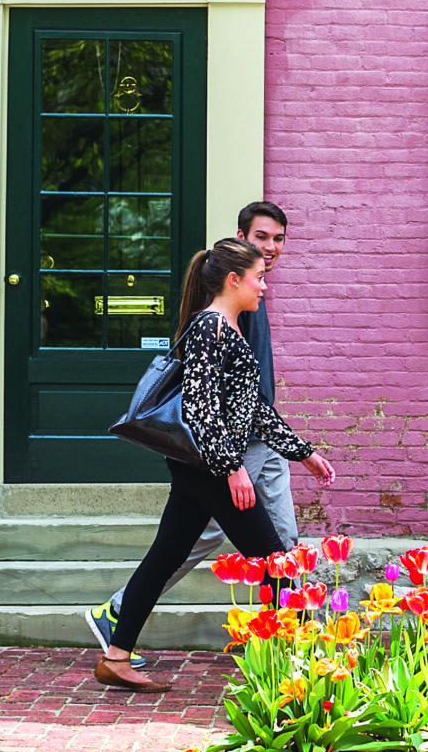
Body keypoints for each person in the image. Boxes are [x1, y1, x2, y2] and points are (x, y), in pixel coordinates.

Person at [93, 237, 333, 692]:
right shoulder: (210, 328)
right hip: (210, 468)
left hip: (204, 467)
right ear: (233, 279)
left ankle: (116, 657)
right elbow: (201, 406)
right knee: (275, 561)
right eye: (259, 278)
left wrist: (303, 452)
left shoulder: (230, 328)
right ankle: (311, 665)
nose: (265, 287)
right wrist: (232, 469)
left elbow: (254, 408)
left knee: (165, 556)